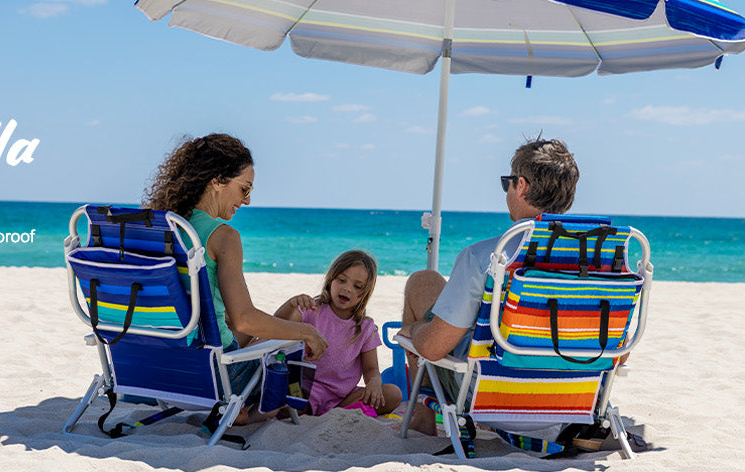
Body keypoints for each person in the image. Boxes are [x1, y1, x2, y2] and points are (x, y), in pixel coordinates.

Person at [398, 136, 580, 435]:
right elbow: (618, 354)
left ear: (521, 186)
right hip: (567, 401)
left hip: (493, 400)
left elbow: (432, 349)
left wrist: (414, 330)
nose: (507, 190)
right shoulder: (601, 262)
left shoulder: (486, 257)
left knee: (422, 284)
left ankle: (422, 417)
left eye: (507, 182)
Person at [145, 133, 328, 422]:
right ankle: (256, 413)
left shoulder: (160, 228)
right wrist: (309, 332)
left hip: (157, 371)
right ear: (217, 180)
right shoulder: (223, 236)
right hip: (212, 377)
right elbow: (244, 319)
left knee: (238, 327)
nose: (248, 200)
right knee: (290, 347)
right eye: (244, 189)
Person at [274, 250, 402, 417]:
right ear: (330, 280)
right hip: (306, 387)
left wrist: (375, 382)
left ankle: (334, 413)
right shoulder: (312, 309)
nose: (347, 289)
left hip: (342, 398)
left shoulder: (365, 327)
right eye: (342, 280)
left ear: (364, 294)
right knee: (292, 398)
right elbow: (276, 324)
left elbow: (371, 368)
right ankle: (308, 411)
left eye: (357, 286)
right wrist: (291, 304)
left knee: (393, 394)